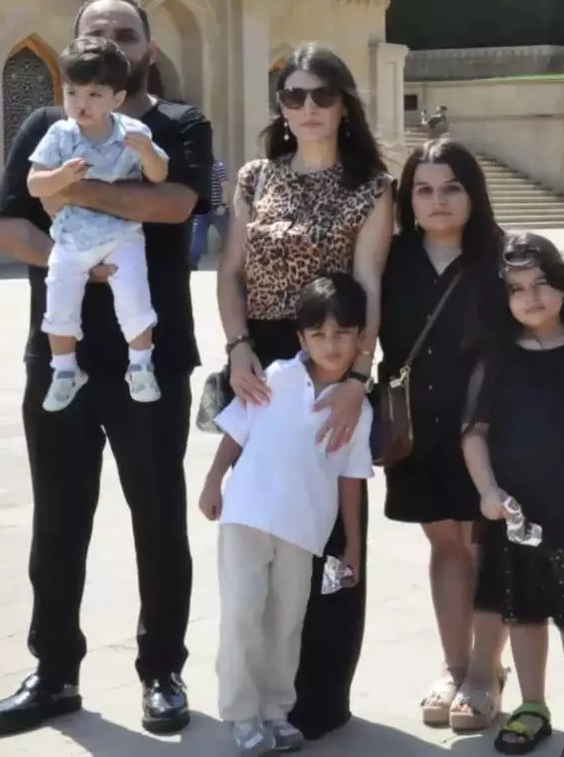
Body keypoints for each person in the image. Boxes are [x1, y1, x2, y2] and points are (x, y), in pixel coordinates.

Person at [0, 0, 211, 738]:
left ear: (147, 50)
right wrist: (79, 259)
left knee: (158, 516)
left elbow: (175, 204)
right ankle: (54, 672)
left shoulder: (176, 124)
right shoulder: (44, 126)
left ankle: (162, 670)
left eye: (127, 32)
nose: (113, 40)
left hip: (150, 357)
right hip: (63, 357)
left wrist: (73, 190)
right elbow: (9, 224)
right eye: (97, 31)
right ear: (73, 49)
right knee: (58, 516)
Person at [217, 43, 394, 739]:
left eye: (323, 94)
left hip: (332, 363)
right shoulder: (255, 177)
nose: (309, 107)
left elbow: (369, 286)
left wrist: (357, 379)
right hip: (262, 364)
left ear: (344, 103)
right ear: (281, 107)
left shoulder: (370, 185)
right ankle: (254, 700)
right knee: (262, 530)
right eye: (294, 95)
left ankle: (317, 696)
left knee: (330, 527)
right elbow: (231, 270)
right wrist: (237, 347)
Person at [464, 233, 564, 757]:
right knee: (523, 612)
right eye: (517, 289)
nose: (531, 298)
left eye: (540, 284)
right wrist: (487, 490)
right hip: (517, 510)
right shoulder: (497, 356)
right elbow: (474, 432)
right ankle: (531, 705)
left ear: (563, 286)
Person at [199, 273, 373, 754]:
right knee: (242, 614)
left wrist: (353, 544)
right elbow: (237, 431)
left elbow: (351, 479)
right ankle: (241, 713)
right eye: (319, 334)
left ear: (360, 337)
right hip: (247, 515)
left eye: (342, 334)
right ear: (301, 339)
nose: (331, 345)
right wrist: (213, 482)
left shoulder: (358, 408)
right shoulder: (276, 376)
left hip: (304, 530)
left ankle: (276, 711)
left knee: (287, 621)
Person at [380, 138, 509, 730]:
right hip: (415, 424)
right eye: (424, 190)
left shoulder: (502, 258)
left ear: (473, 194)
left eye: (452, 187)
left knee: (485, 546)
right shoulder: (391, 257)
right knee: (444, 545)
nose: (438, 201)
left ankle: (486, 672)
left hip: (486, 426)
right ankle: (453, 667)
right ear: (407, 199)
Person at [28, 37, 170, 412]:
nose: (81, 103)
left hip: (122, 233)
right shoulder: (59, 135)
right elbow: (35, 184)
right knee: (58, 302)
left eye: (93, 94)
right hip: (71, 237)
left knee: (134, 297)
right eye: (72, 93)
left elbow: (158, 175)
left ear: (116, 99)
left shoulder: (132, 132)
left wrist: (148, 153)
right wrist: (60, 176)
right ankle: (64, 370)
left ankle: (141, 365)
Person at [190, 156, 231, 268]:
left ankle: (239, 263)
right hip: (202, 209)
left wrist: (223, 204)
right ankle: (192, 264)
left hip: (217, 209)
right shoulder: (199, 169)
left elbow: (225, 185)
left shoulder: (217, 166)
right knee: (196, 237)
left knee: (229, 237)